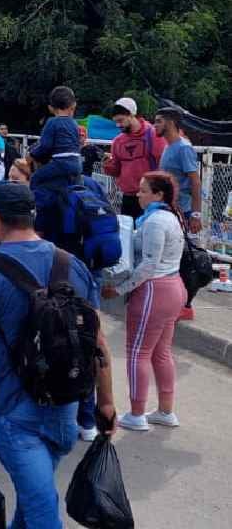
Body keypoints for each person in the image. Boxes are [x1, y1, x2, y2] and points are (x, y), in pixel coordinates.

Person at [0, 183, 117, 529]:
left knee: (41, 510)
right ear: (32, 217)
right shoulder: (72, 264)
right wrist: (106, 403)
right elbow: (97, 342)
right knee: (35, 498)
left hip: (15, 417)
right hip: (65, 408)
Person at [99, 171, 182, 433]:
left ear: (158, 195)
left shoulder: (156, 221)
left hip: (153, 291)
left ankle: (136, 414)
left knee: (138, 353)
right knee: (161, 353)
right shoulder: (169, 217)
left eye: (144, 190)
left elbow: (148, 265)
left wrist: (120, 289)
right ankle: (165, 410)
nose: (138, 194)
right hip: (172, 287)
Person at [29, 86, 84, 226]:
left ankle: (35, 207)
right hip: (76, 163)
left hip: (61, 162)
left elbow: (45, 145)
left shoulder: (52, 122)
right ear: (72, 105)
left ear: (50, 108)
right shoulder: (74, 123)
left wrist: (32, 154)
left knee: (36, 177)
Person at [104, 97, 166, 218]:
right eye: (116, 122)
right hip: (128, 197)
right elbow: (116, 170)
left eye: (121, 120)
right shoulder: (118, 141)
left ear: (132, 115)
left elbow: (163, 166)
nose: (118, 125)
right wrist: (107, 164)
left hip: (150, 197)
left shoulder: (153, 134)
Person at [154, 107, 202, 234]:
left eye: (159, 121)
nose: (155, 125)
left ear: (170, 123)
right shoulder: (167, 146)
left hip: (182, 211)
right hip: (169, 208)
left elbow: (195, 182)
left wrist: (196, 215)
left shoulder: (184, 148)